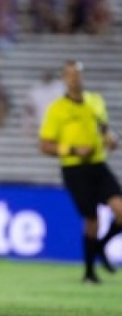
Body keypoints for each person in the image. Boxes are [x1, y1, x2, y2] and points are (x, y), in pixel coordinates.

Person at [39, 60, 122, 284]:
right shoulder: (57, 109)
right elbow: (45, 145)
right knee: (92, 219)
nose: (74, 78)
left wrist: (110, 139)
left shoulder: (95, 101)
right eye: (69, 74)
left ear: (82, 76)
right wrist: (74, 149)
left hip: (98, 164)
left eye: (77, 74)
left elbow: (104, 128)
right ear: (64, 78)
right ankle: (89, 273)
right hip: (74, 168)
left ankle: (101, 247)